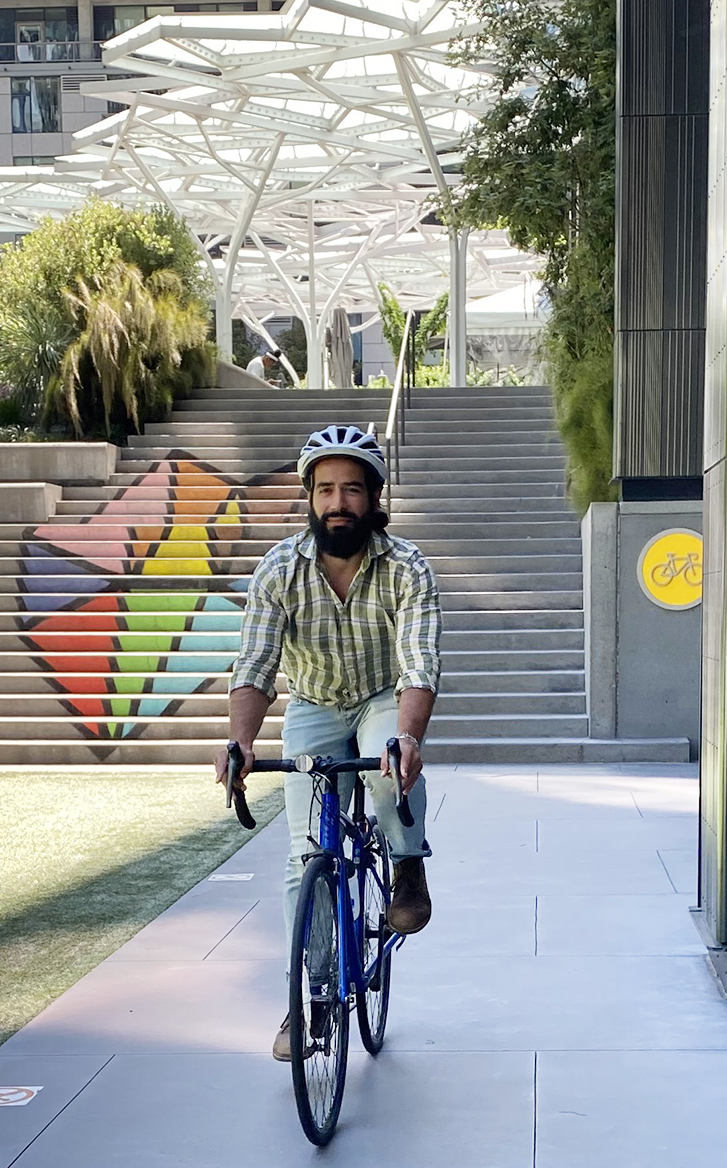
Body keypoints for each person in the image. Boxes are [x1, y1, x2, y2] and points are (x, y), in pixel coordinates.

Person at [216, 424, 438, 1063]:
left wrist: (405, 737)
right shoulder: (279, 569)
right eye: (325, 490)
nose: (337, 503)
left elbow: (419, 663)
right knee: (301, 858)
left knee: (385, 770)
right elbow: (254, 666)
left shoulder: (406, 567)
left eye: (351, 490)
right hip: (313, 702)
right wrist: (239, 743)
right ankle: (309, 1000)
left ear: (373, 497)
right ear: (309, 497)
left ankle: (407, 863)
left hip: (380, 697)